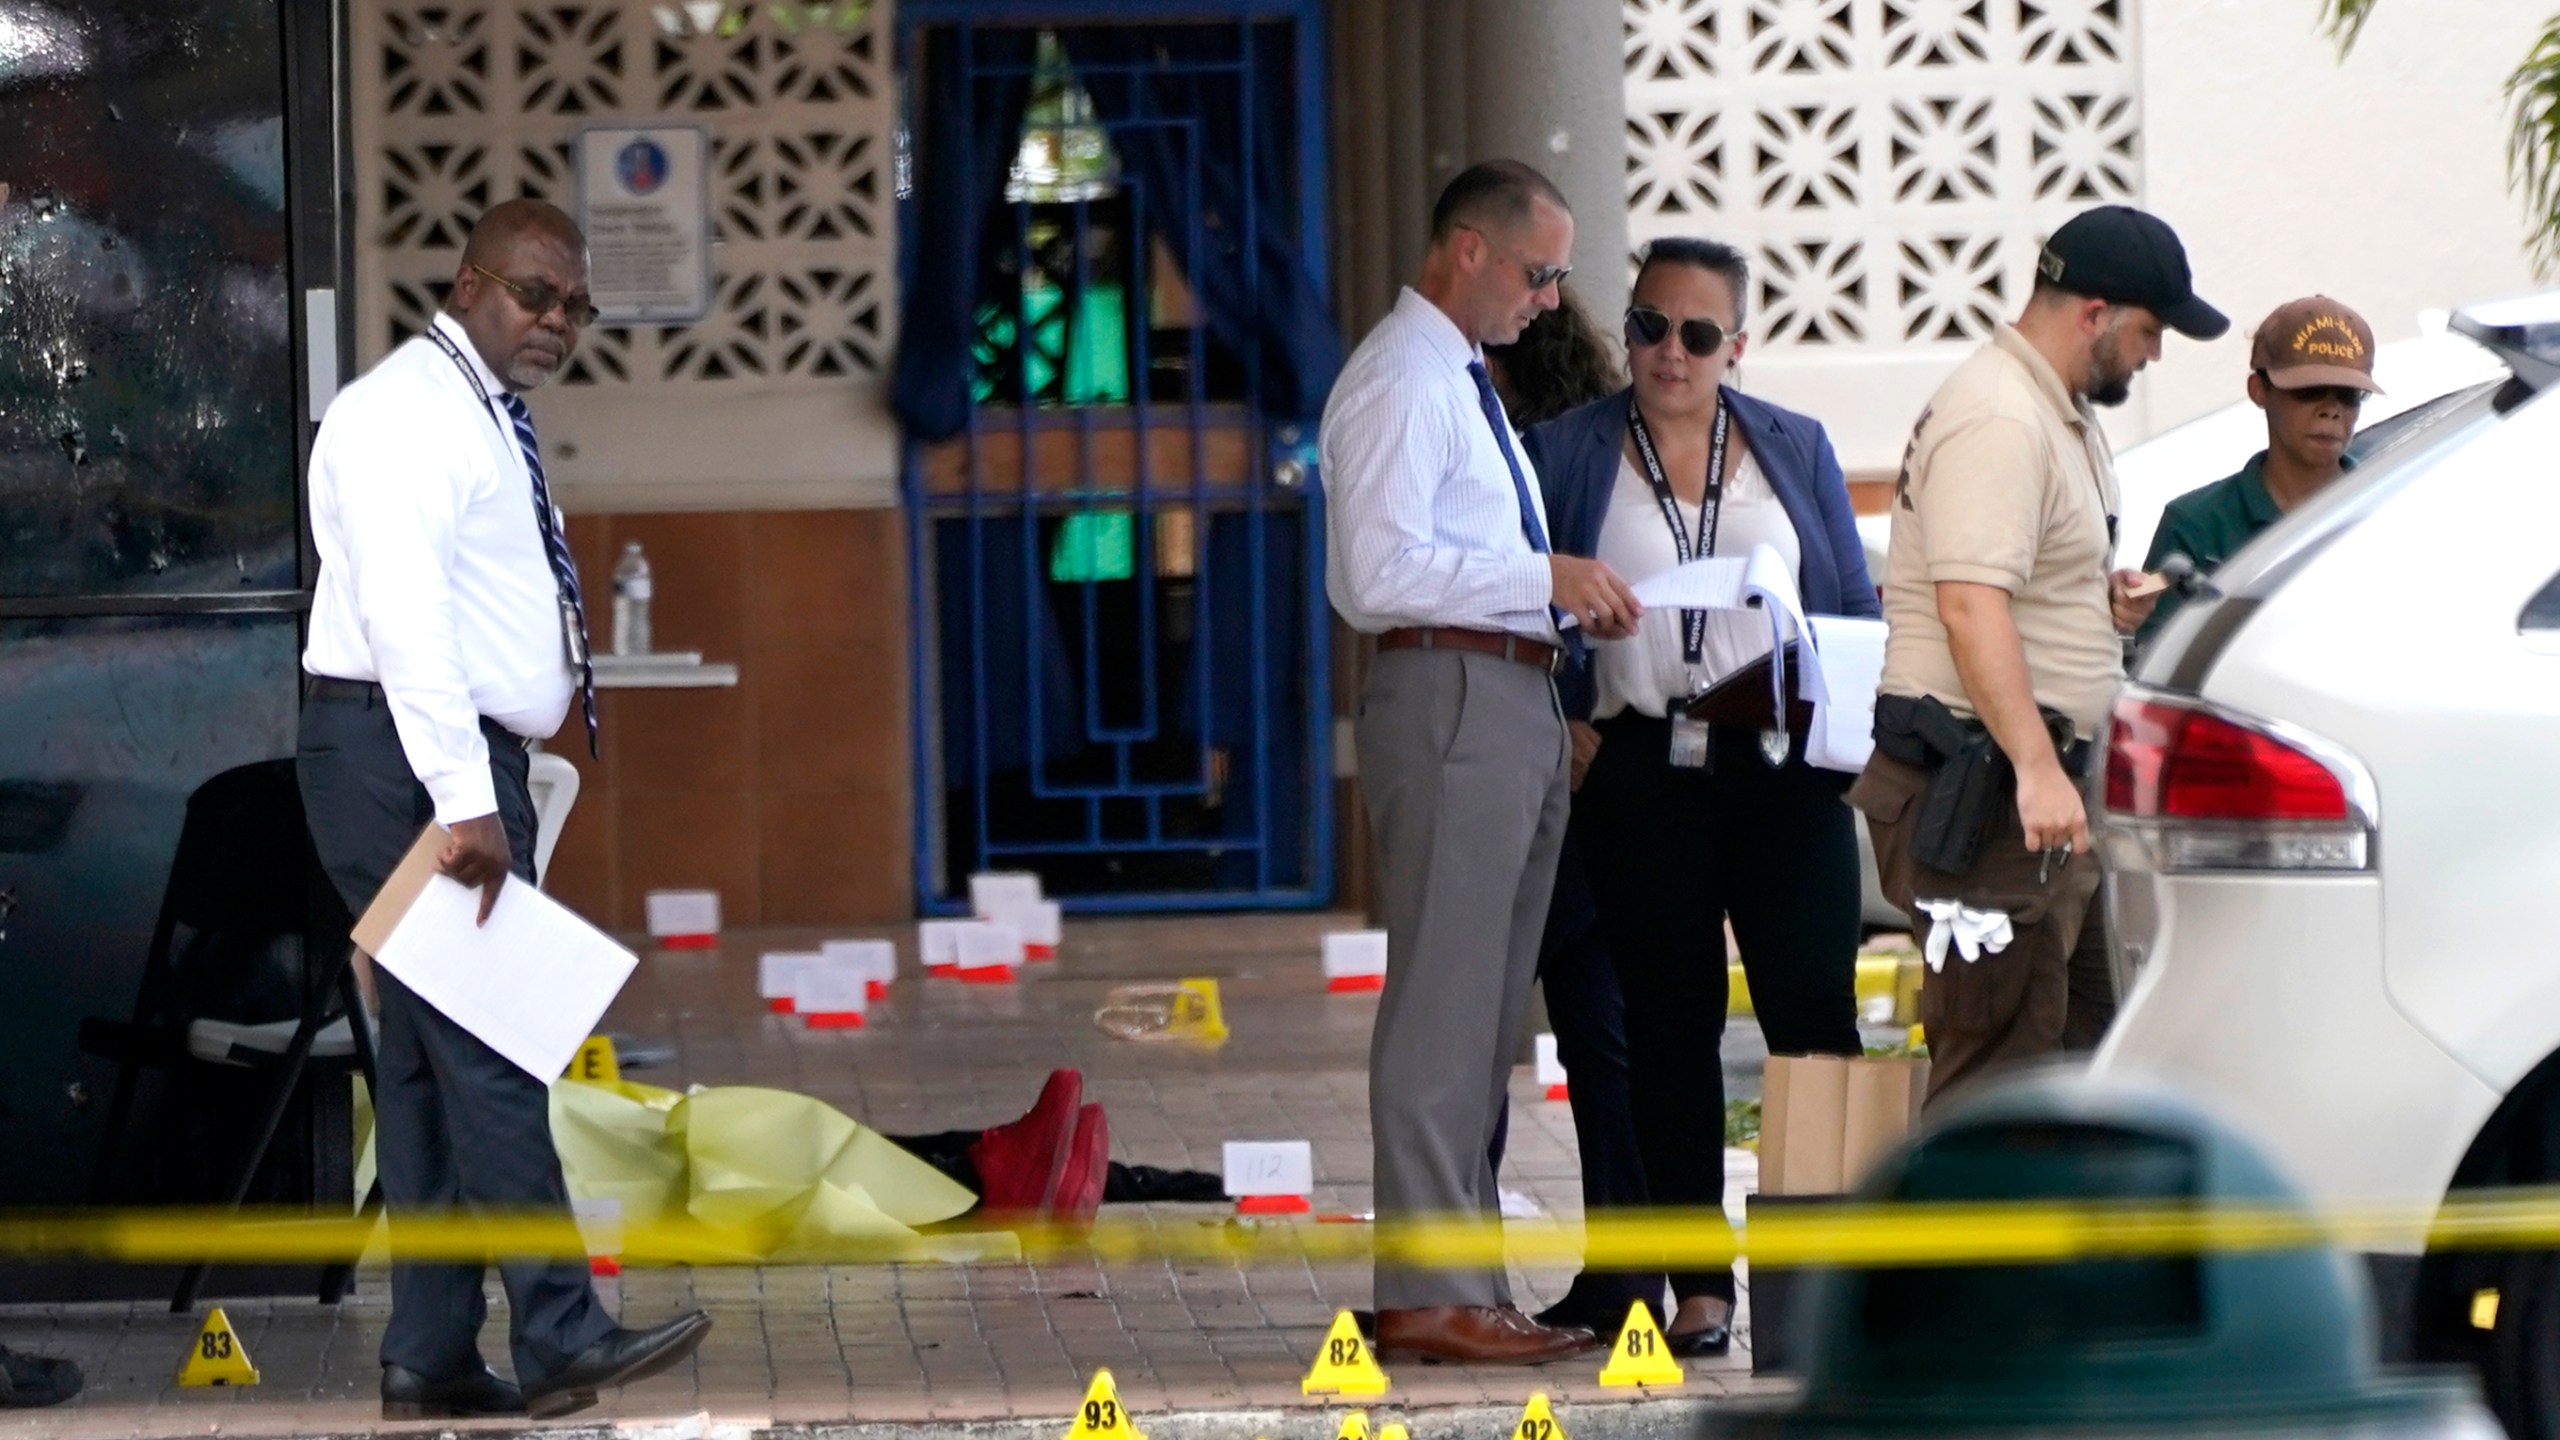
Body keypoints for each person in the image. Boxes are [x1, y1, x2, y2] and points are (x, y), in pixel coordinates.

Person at [299, 199, 711, 1421]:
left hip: (436, 763)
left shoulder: (480, 412)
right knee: (492, 1057)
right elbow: (408, 620)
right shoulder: (403, 415)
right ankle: (560, 1331)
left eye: (576, 306)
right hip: (409, 767)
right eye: (536, 296)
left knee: (430, 1075)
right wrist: (465, 802)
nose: (557, 323)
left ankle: (427, 1356)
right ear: (471, 281)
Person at [1525, 237, 1878, 1353]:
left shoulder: (1794, 445)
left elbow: (1850, 600)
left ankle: (1824, 1283)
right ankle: (1701, 1284)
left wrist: (1842, 719)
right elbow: (1514, 593)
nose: (1667, 353)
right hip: (1641, 766)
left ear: (1738, 344)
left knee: (1813, 1021)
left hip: (1780, 768)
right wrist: (1564, 709)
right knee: (1667, 1027)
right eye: (1646, 326)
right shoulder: (1569, 451)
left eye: (1694, 333)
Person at [1321, 159, 1636, 1366]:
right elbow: (1378, 573)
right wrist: (1540, 580)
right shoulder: (1401, 379)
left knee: (1484, 1013)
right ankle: (1426, 1292)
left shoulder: (1460, 381)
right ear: (1466, 248)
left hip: (1500, 694)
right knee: (1444, 1013)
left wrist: (1552, 625)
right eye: (1538, 270)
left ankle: (1458, 1284)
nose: (1550, 300)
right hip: (1447, 691)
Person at [1847, 205, 2227, 1102]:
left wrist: (2102, 610)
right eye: (2149, 329)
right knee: (1998, 1078)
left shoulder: (2056, 413)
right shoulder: (2002, 418)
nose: (2155, 353)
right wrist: (2033, 767)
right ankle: (1969, 1247)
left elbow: (2019, 588)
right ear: (2093, 313)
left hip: (2040, 799)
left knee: (2077, 1069)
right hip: (1990, 795)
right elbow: (1971, 607)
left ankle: (2051, 1246)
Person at [1485, 286, 1654, 1339]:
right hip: (1620, 770)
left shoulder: (1542, 461)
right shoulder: (1605, 453)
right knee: (1609, 1037)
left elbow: (1529, 607)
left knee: (1575, 1028)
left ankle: (1620, 1272)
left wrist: (1559, 712)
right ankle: (1630, 1269)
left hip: (1572, 768)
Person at [2137, 296, 2381, 643]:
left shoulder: (2388, 517)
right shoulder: (2190, 524)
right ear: (2258, 390)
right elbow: (2154, 651)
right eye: (2309, 391)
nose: (2331, 410)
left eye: (2350, 395)